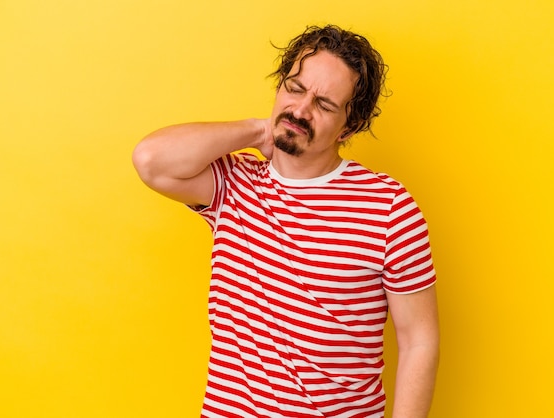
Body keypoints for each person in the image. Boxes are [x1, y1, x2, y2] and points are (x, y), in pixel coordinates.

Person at [133, 24, 439, 418]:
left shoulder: (388, 207)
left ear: (349, 125)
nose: (301, 110)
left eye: (325, 104)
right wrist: (259, 130)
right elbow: (151, 161)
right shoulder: (235, 184)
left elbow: (419, 340)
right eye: (295, 89)